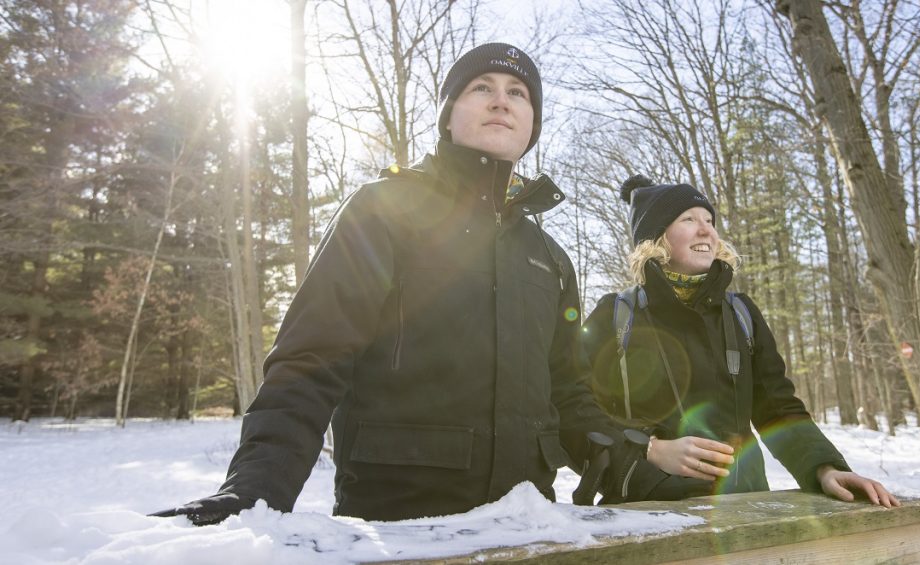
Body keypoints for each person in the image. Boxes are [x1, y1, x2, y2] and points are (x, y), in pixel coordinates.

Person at [153, 44, 684, 525]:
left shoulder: (548, 257)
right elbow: (312, 359)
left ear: (531, 125)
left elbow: (569, 393)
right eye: (482, 88)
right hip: (398, 525)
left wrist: (633, 454)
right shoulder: (384, 211)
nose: (501, 100)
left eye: (518, 93)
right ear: (449, 116)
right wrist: (256, 490)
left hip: (527, 526)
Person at [579, 175, 900, 508]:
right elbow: (576, 410)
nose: (706, 230)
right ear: (655, 239)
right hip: (648, 515)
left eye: (709, 220)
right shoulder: (617, 316)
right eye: (688, 219)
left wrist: (825, 468)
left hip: (745, 509)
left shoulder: (740, 314)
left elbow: (777, 407)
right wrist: (648, 448)